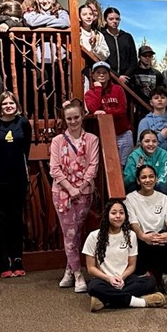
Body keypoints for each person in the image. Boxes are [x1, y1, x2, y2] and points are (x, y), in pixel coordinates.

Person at [49, 99, 101, 293]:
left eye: (76, 117)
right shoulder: (57, 141)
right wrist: (70, 188)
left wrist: (80, 186)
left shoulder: (92, 139)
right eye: (69, 118)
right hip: (62, 192)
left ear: (82, 117)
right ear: (64, 119)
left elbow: (93, 166)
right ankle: (78, 274)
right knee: (69, 232)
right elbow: (54, 168)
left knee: (77, 231)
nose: (73, 121)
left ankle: (69, 269)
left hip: (84, 191)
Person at [82, 199, 167, 311]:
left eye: (121, 213)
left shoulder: (130, 235)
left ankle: (104, 300)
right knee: (93, 287)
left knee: (150, 282)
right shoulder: (93, 236)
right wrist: (109, 278)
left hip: (125, 279)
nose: (118, 216)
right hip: (104, 279)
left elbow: (132, 265)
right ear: (107, 215)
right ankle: (141, 302)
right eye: (113, 213)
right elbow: (91, 268)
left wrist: (121, 277)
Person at [0, 91, 33, 278]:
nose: (8, 106)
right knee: (0, 220)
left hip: (17, 178)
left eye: (11, 103)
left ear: (16, 105)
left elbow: (26, 148)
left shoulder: (23, 123)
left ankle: (17, 258)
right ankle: (4, 261)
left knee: (16, 218)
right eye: (4, 104)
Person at [126, 165, 167, 295]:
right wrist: (143, 236)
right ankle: (143, 277)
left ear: (156, 179)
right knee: (134, 237)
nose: (148, 180)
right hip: (142, 238)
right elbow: (134, 224)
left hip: (159, 238)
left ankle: (166, 278)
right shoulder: (130, 199)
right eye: (143, 177)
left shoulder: (164, 199)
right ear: (138, 181)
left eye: (151, 177)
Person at [85, 61, 134, 163]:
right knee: (110, 165)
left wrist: (105, 112)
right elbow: (93, 109)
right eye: (98, 72)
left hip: (123, 133)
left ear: (109, 75)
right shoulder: (89, 93)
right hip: (104, 135)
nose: (101, 75)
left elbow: (122, 110)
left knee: (126, 165)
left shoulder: (118, 89)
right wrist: (98, 88)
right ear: (93, 75)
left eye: (104, 72)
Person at [123, 130, 167, 195]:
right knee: (132, 188)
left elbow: (163, 175)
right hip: (139, 184)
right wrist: (136, 172)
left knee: (162, 188)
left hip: (156, 184)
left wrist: (151, 184)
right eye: (147, 141)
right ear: (141, 143)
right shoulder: (134, 155)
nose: (151, 144)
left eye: (154, 141)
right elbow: (127, 181)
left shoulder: (163, 153)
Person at [79, 0, 110, 91]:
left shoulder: (99, 35)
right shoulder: (76, 33)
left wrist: (95, 46)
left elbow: (105, 55)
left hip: (94, 71)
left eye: (90, 14)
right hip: (79, 70)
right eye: (84, 14)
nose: (88, 17)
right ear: (79, 17)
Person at [138, 86, 167, 156]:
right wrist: (161, 136)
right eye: (156, 98)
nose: (160, 100)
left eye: (162, 97)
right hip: (152, 159)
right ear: (151, 102)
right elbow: (140, 145)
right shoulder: (145, 122)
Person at [102, 7, 137, 74]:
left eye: (117, 19)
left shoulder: (127, 37)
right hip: (109, 77)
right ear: (105, 20)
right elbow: (102, 59)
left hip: (126, 79)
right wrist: (116, 76)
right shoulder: (102, 36)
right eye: (111, 19)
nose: (114, 21)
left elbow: (133, 60)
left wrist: (126, 75)